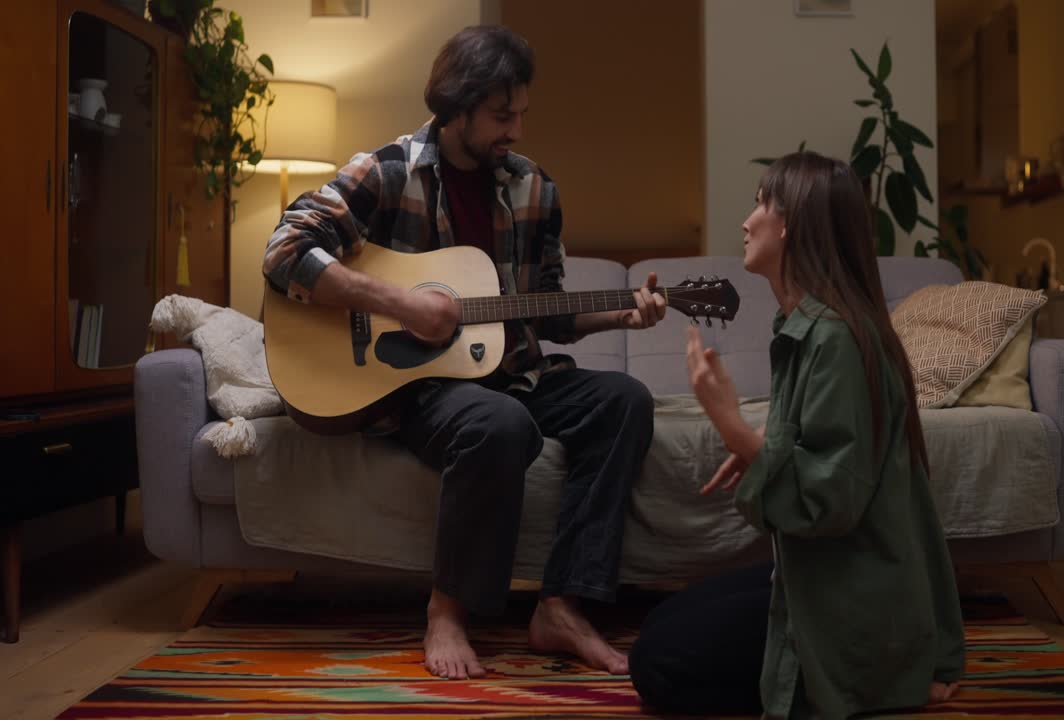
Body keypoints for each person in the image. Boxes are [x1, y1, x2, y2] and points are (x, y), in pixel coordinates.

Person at [262, 25, 666, 679]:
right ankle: (446, 613)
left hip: (514, 373)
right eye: (502, 116)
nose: (517, 132)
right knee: (497, 423)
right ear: (457, 105)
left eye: (522, 114)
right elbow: (284, 252)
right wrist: (398, 304)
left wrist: (625, 313)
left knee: (625, 400)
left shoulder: (536, 189)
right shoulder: (385, 171)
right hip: (421, 388)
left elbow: (550, 307)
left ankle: (561, 606)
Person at [627, 152, 965, 717]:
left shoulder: (836, 339)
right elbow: (815, 455)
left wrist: (733, 427)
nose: (747, 219)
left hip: (851, 592)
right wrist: (760, 447)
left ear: (790, 226)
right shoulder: (806, 325)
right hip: (820, 569)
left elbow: (831, 500)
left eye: (762, 203)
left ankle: (881, 678)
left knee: (657, 662)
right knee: (664, 618)